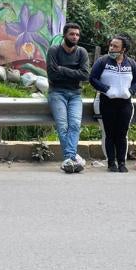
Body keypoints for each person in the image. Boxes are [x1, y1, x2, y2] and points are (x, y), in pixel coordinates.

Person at [89, 34, 136, 173]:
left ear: (123, 49)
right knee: (109, 134)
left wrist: (130, 91)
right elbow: (92, 78)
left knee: (122, 134)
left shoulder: (131, 63)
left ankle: (122, 163)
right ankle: (111, 163)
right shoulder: (102, 61)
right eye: (111, 45)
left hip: (125, 104)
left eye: (115, 46)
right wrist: (106, 89)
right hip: (107, 102)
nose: (111, 48)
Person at [46, 22, 90, 174]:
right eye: (72, 34)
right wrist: (74, 72)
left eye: (77, 35)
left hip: (75, 94)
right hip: (57, 93)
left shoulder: (82, 52)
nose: (75, 37)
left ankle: (69, 159)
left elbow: (85, 75)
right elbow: (52, 75)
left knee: (75, 125)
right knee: (63, 126)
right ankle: (72, 157)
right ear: (65, 35)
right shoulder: (54, 51)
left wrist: (62, 69)